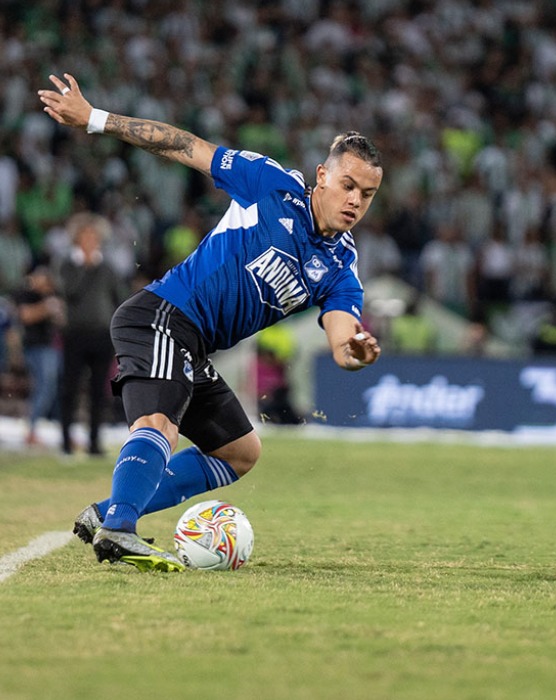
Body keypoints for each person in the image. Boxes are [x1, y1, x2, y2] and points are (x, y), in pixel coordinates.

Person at [39, 73, 383, 572]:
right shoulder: (272, 185)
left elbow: (341, 335)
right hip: (160, 315)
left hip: (193, 345)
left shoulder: (340, 268)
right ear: (322, 176)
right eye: (348, 184)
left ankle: (111, 511)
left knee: (241, 452)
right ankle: (119, 530)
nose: (354, 200)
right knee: (159, 424)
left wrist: (353, 352)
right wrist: (94, 118)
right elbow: (185, 147)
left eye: (367, 194)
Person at [55, 213, 127, 456]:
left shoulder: (107, 268)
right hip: (74, 335)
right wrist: (85, 266)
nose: (90, 241)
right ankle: (65, 443)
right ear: (77, 239)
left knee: (99, 390)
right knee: (70, 389)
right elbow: (69, 291)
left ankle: (94, 442)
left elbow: (120, 298)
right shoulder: (67, 266)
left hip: (101, 336)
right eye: (85, 236)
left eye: (93, 237)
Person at [14, 266, 63, 447]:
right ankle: (32, 429)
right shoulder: (27, 294)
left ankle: (60, 430)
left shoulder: (52, 295)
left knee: (56, 389)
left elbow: (60, 319)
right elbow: (26, 316)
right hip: (36, 347)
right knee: (44, 387)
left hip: (52, 347)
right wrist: (46, 307)